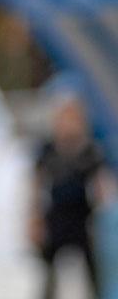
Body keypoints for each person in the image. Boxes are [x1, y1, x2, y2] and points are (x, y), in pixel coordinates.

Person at [30, 94, 112, 299]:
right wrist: (35, 219)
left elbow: (101, 184)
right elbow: (37, 184)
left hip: (82, 216)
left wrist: (105, 211)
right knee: (48, 272)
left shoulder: (89, 150)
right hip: (57, 216)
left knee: (92, 269)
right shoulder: (48, 150)